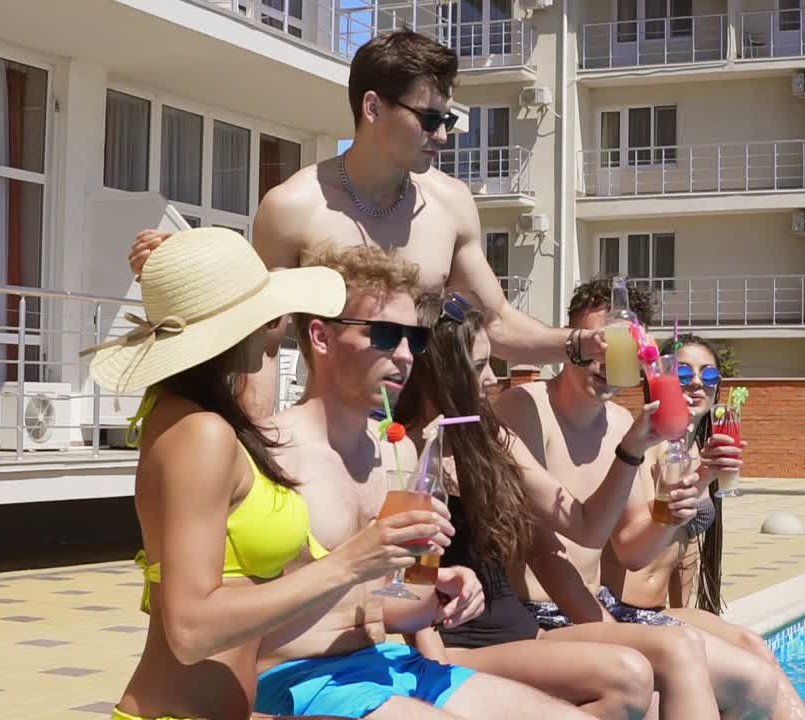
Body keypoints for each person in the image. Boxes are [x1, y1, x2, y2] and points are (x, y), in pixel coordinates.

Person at [128, 30, 606, 418]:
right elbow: (265, 345)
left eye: (449, 120)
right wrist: (262, 455)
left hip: (424, 438)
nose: (442, 135)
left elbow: (497, 323)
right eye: (429, 118)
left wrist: (583, 344)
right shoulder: (293, 207)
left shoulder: (452, 203)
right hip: (330, 443)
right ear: (373, 107)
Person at [84, 228, 452, 720]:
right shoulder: (202, 432)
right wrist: (353, 562)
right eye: (266, 309)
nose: (280, 321)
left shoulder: (201, 418)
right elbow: (191, 630)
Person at [251, 245, 596, 720]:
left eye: (414, 339)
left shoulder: (399, 451)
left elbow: (403, 605)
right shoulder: (268, 451)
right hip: (296, 678)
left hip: (383, 663)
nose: (405, 355)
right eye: (387, 335)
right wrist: (358, 563)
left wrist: (441, 591)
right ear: (321, 336)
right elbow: (227, 612)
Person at [393, 291, 730, 719]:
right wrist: (431, 658)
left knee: (679, 646)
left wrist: (631, 449)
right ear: (439, 373)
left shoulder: (492, 440)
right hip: (462, 644)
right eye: (479, 368)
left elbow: (586, 526)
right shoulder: (405, 450)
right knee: (629, 677)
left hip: (520, 632)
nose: (494, 381)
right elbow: (408, 572)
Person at [493, 278, 782, 720]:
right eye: (597, 346)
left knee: (756, 680)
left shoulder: (617, 421)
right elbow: (543, 551)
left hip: (596, 606)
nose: (607, 361)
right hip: (539, 613)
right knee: (688, 674)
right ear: (573, 341)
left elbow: (631, 550)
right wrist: (610, 631)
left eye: (622, 350)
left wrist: (675, 508)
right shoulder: (522, 408)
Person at [603, 335, 805, 720]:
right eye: (683, 371)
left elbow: (683, 554)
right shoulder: (641, 445)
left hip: (657, 611)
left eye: (708, 373)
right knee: (749, 680)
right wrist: (702, 479)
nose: (697, 382)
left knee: (755, 646)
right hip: (618, 609)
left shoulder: (696, 451)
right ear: (658, 378)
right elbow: (631, 551)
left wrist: (699, 620)